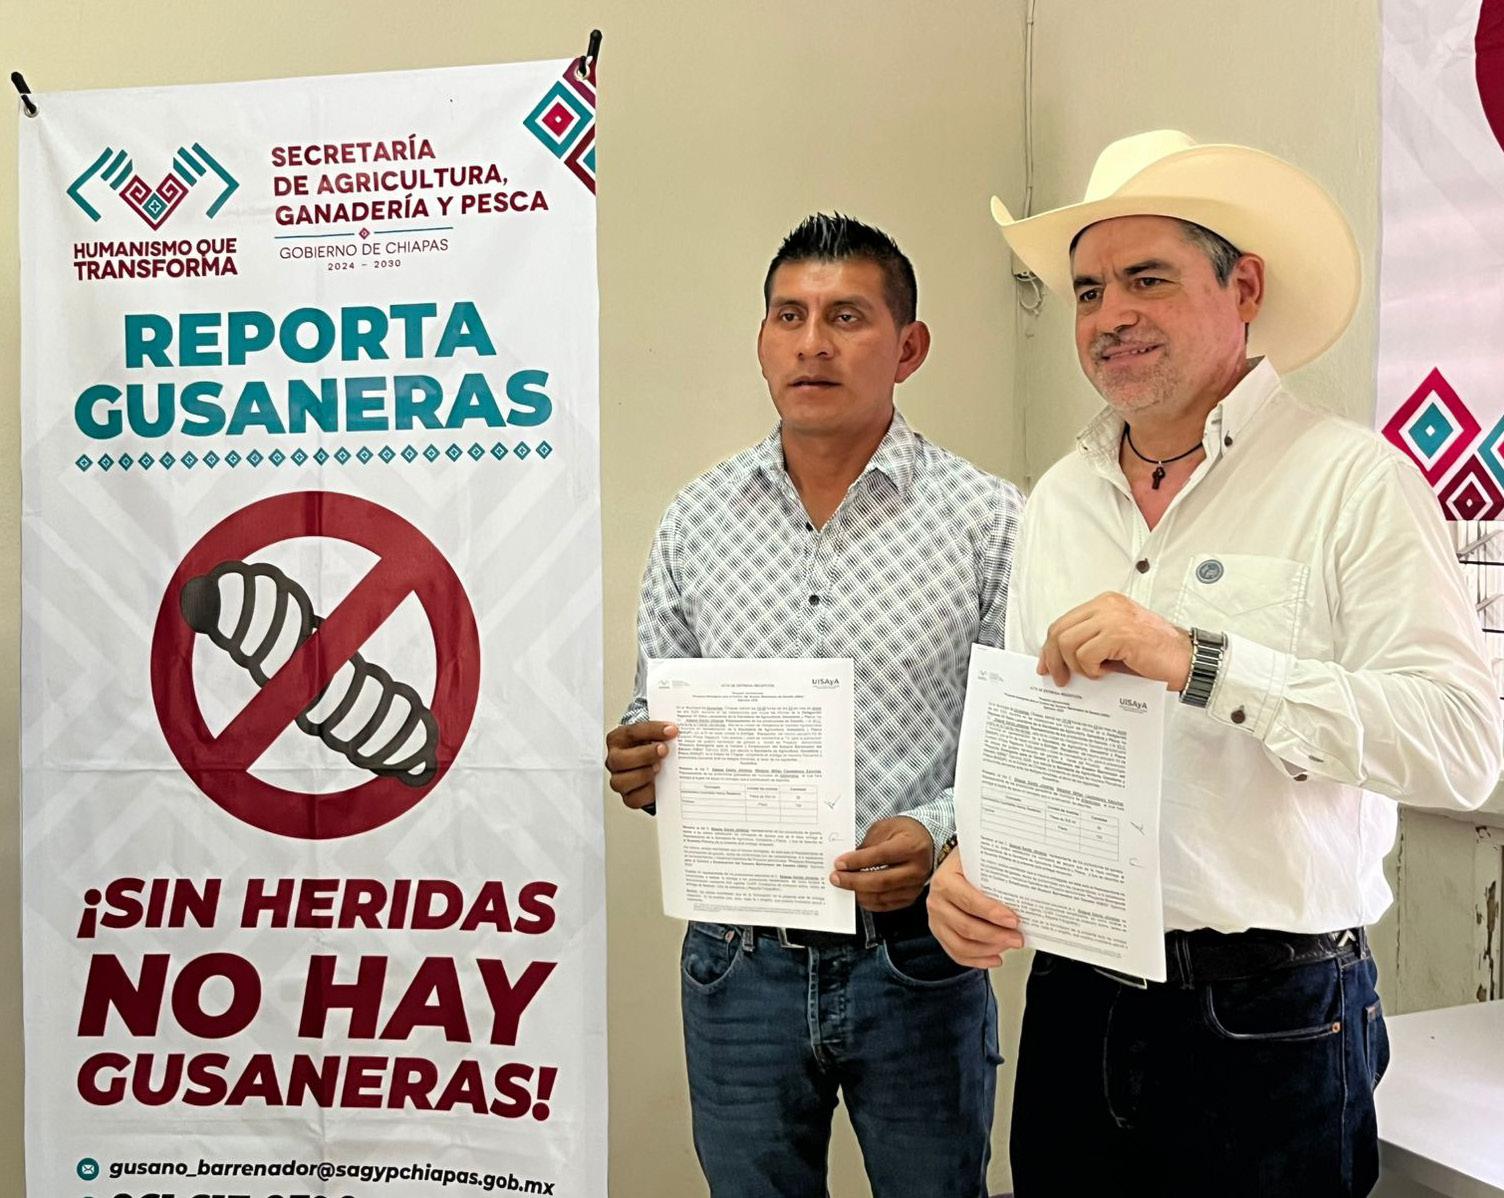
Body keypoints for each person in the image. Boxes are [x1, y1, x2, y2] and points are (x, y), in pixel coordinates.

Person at [927, 130, 1503, 1197]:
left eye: (1147, 279)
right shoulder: (1057, 500)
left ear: (1244, 288)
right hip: (1075, 1003)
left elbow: (1463, 748)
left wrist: (1200, 663)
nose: (1109, 315)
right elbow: (1035, 734)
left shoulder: (1354, 484)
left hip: (1272, 1017)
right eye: (1088, 290)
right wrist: (975, 857)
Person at [605, 213, 1022, 1197]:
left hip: (918, 957)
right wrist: (639, 757)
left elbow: (1021, 742)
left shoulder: (989, 520)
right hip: (737, 961)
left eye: (847, 316)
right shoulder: (696, 518)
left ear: (909, 347)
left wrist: (938, 829)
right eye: (788, 315)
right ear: (761, 341)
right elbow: (653, 702)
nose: (812, 343)